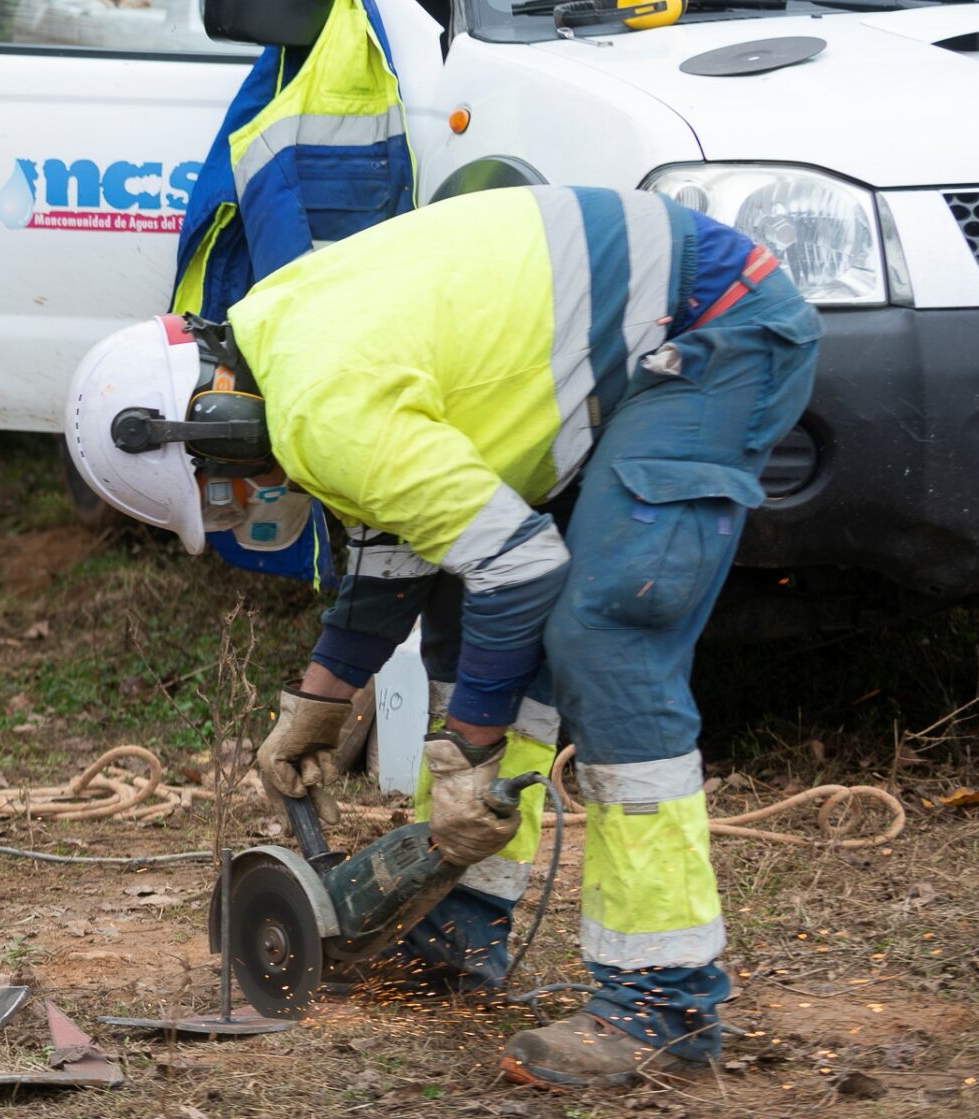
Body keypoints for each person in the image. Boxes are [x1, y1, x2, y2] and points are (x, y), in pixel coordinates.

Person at [67, 185, 819, 1087]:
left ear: (208, 424)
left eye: (225, 483)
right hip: (636, 346)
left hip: (711, 326)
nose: (251, 491)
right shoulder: (280, 334)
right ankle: (463, 919)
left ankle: (665, 1001)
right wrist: (320, 696)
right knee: (471, 632)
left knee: (607, 636)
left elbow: (522, 566)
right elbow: (402, 531)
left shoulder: (318, 408)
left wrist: (470, 753)